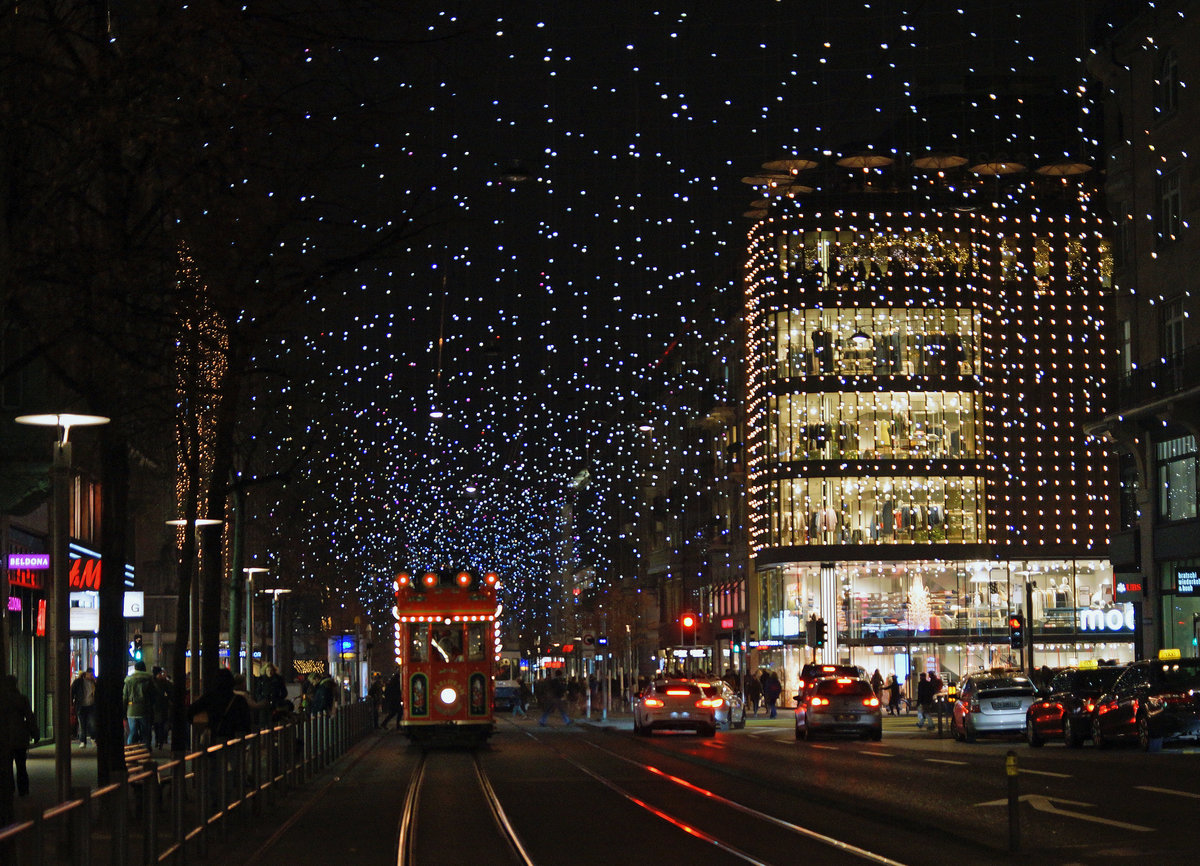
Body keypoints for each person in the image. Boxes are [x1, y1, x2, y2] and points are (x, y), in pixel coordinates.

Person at [0, 674, 38, 825]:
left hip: (4, 738)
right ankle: (23, 790)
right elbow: (29, 717)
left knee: (6, 765)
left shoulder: (3, 700)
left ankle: (8, 789)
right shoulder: (21, 699)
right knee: (21, 765)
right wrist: (35, 733)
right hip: (20, 737)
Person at [187, 668, 252, 744]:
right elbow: (246, 722)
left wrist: (202, 727)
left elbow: (190, 712)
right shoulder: (239, 700)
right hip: (234, 739)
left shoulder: (210, 697)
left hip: (215, 737)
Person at [123, 660, 157, 745]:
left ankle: (131, 751)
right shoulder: (149, 680)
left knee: (132, 733)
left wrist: (124, 711)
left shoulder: (128, 681)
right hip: (145, 709)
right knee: (145, 733)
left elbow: (124, 697)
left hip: (131, 710)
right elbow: (153, 695)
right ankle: (145, 751)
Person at [71, 669, 97, 747]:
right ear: (86, 674)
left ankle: (93, 738)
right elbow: (72, 691)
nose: (92, 676)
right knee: (82, 724)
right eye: (91, 674)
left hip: (91, 706)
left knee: (92, 723)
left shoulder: (94, 683)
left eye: (92, 675)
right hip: (81, 706)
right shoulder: (78, 682)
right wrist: (72, 703)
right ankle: (83, 741)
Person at [151, 667, 173, 751]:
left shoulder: (151, 682)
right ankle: (160, 741)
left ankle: (158, 741)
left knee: (158, 725)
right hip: (162, 706)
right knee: (161, 725)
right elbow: (170, 692)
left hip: (156, 707)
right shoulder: (164, 682)